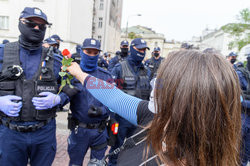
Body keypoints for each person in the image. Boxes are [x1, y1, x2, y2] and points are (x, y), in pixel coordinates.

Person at [66, 50, 241, 166]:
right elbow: (114, 96)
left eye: (165, 82)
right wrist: (80, 74)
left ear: (189, 99)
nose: (155, 86)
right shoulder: (157, 117)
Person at [0, 7, 69, 166]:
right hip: (10, 133)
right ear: (20, 23)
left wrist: (59, 98)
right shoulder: (3, 53)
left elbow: (75, 85)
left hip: (43, 134)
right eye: (31, 23)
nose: (36, 28)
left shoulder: (56, 60)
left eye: (42, 26)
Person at [65, 38, 112, 166]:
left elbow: (113, 103)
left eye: (95, 52)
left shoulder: (106, 76)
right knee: (75, 163)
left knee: (97, 164)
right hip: (79, 131)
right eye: (88, 51)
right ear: (81, 51)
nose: (91, 55)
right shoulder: (71, 74)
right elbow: (61, 100)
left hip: (99, 131)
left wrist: (101, 110)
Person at [109, 38, 151, 166]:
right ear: (132, 48)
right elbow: (111, 94)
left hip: (140, 120)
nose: (142, 52)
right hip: (122, 118)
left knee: (137, 151)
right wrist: (112, 118)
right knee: (117, 149)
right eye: (139, 49)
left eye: (144, 50)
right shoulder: (119, 68)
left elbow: (150, 95)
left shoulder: (147, 71)